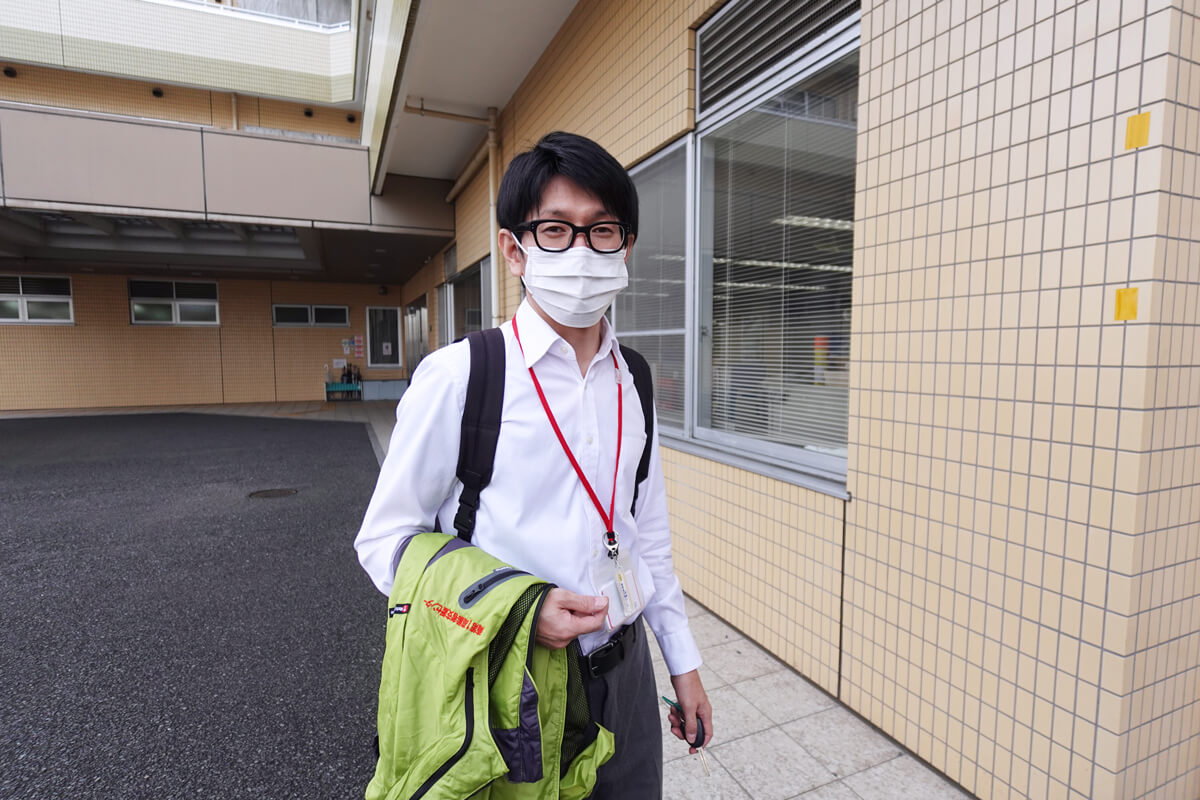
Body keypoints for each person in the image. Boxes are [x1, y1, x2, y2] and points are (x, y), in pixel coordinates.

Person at [355, 131, 712, 797]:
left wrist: (682, 664)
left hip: (626, 679)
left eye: (601, 230)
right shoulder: (462, 376)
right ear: (515, 250)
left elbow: (648, 537)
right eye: (555, 229)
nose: (581, 250)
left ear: (625, 249)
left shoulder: (633, 378)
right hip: (507, 679)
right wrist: (519, 610)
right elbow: (384, 543)